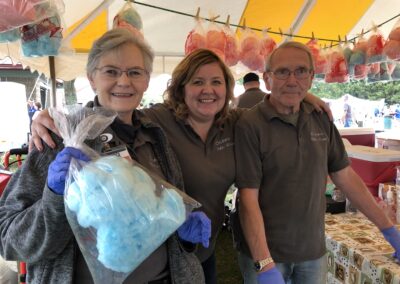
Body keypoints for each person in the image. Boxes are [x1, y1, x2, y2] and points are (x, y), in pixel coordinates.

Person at [30, 48, 332, 284]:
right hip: (167, 250)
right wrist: (51, 117)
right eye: (197, 82)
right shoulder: (158, 120)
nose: (207, 90)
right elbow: (114, 109)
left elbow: (274, 102)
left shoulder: (235, 123)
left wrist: (305, 94)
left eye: (216, 82)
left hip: (207, 246)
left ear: (227, 89)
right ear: (181, 87)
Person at [0, 28, 211, 284]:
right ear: (91, 78)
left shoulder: (156, 136)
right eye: (111, 71)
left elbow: (159, 218)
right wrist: (55, 198)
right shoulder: (59, 137)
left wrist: (182, 230)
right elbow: (9, 240)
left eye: (135, 72)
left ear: (146, 80)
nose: (124, 82)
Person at [233, 41, 400, 284]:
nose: (292, 80)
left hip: (312, 251)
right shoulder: (250, 125)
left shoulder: (320, 118)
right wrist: (264, 262)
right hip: (268, 254)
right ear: (267, 79)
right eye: (282, 72)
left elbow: (346, 177)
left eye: (301, 71)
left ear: (311, 78)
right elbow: (248, 198)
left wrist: (389, 231)